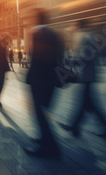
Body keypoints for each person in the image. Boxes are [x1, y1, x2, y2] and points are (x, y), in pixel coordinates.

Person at [58, 20, 106, 139]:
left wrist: (71, 60)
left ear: (79, 26)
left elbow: (87, 56)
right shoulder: (87, 37)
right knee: (88, 104)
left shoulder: (85, 37)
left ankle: (75, 126)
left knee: (88, 104)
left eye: (74, 26)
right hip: (87, 75)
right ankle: (75, 127)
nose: (72, 29)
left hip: (87, 75)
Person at [24, 9, 63, 157]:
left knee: (40, 113)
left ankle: (50, 147)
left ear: (37, 20)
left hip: (39, 81)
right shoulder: (54, 34)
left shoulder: (37, 34)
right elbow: (60, 55)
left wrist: (30, 79)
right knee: (43, 111)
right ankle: (44, 139)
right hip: (51, 80)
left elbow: (36, 60)